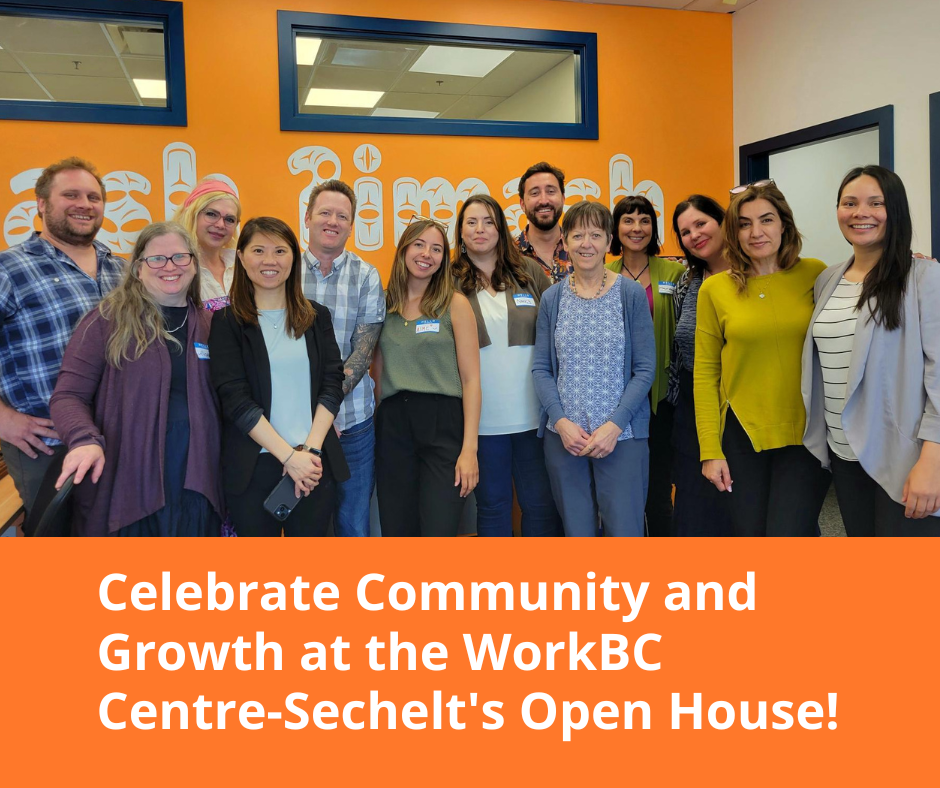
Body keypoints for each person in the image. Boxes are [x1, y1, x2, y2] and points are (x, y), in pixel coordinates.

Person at [49, 222, 224, 536]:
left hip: (197, 482)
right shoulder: (106, 320)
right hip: (128, 482)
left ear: (194, 266)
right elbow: (68, 396)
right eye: (157, 259)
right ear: (138, 270)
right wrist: (83, 439)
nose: (169, 266)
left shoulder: (212, 325)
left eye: (180, 257)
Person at [802, 165, 940, 535]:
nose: (860, 212)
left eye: (875, 203)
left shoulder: (923, 277)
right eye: (849, 203)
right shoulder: (827, 279)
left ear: (893, 210)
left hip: (904, 457)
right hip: (845, 455)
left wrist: (933, 461)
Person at [695, 182, 830, 536]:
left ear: (783, 224)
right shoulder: (715, 289)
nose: (756, 232)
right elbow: (705, 374)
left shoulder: (817, 274)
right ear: (733, 233)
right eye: (743, 223)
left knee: (789, 536)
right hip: (742, 436)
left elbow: (868, 280)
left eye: (766, 220)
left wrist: (910, 262)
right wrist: (710, 450)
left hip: (806, 434)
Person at [209, 217, 349, 537]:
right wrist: (288, 457)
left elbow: (332, 382)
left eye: (280, 251)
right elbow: (234, 397)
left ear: (294, 258)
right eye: (258, 250)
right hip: (253, 467)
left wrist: (309, 453)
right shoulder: (226, 322)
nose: (269, 261)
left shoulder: (316, 317)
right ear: (241, 257)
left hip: (313, 465)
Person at [0, 156, 123, 520]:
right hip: (47, 445)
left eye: (93, 197)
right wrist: (3, 419)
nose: (84, 205)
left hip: (118, 439)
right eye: (71, 195)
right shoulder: (9, 268)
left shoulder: (123, 269)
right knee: (62, 549)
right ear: (41, 204)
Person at [532, 200, 655, 536]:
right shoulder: (552, 299)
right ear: (565, 242)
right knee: (577, 533)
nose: (586, 243)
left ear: (608, 241)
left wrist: (614, 425)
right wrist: (560, 422)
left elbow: (645, 368)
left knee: (625, 533)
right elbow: (541, 369)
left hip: (622, 437)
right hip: (565, 440)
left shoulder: (629, 294)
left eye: (596, 235)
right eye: (577, 235)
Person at [452, 193, 562, 537]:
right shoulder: (448, 280)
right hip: (483, 423)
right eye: (471, 222)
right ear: (461, 232)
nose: (480, 229)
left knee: (540, 507)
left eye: (488, 221)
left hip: (534, 418)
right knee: (493, 508)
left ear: (501, 228)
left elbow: (559, 328)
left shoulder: (528, 272)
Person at [373, 218, 481, 537]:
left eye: (436, 249)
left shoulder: (454, 304)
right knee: (397, 530)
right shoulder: (382, 304)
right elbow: (376, 374)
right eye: (419, 244)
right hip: (393, 428)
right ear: (404, 249)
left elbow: (472, 380)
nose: (427, 254)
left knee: (439, 532)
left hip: (443, 426)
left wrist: (469, 450)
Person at [302, 179, 385, 537]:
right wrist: (314, 417)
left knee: (354, 526)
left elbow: (361, 353)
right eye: (324, 212)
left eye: (342, 215)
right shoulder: (282, 272)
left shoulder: (366, 276)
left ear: (352, 226)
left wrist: (327, 409)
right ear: (307, 217)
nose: (332, 221)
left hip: (354, 424)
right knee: (308, 527)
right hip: (296, 425)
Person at [606, 195, 684, 536]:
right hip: (614, 400)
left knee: (658, 487)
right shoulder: (603, 273)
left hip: (663, 398)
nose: (636, 228)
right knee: (621, 486)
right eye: (628, 219)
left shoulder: (675, 272)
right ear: (615, 227)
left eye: (644, 220)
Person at [667, 195, 734, 536]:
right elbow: (680, 354)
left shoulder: (755, 273)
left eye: (701, 223)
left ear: (722, 222)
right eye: (685, 232)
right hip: (694, 408)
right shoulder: (687, 283)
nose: (694, 235)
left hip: (741, 407)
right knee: (695, 513)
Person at [174, 179, 241, 311]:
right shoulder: (173, 267)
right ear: (192, 215)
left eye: (229, 219)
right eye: (211, 214)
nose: (220, 225)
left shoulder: (241, 265)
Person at [515, 161, 572, 283]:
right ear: (522, 204)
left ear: (563, 198)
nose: (544, 200)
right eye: (535, 193)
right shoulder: (508, 255)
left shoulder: (580, 249)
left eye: (551, 191)